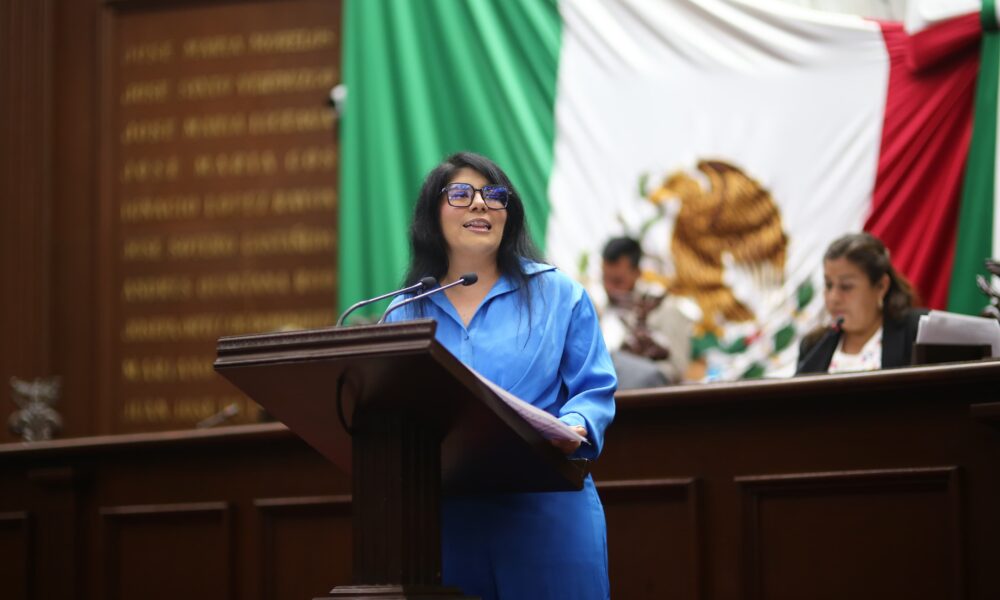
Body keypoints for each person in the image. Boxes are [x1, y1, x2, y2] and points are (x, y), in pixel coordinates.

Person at [385, 151, 616, 599]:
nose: (480, 203)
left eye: (494, 195)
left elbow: (594, 387)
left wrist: (576, 424)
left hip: (546, 503)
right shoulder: (404, 311)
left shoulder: (558, 293)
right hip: (445, 518)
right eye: (460, 194)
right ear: (432, 213)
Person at [797, 232, 926, 374]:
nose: (833, 298)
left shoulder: (918, 333)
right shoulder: (812, 346)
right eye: (828, 285)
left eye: (846, 286)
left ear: (881, 286)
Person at [598, 236, 695, 387]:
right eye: (605, 279)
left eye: (618, 281)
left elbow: (677, 368)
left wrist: (638, 369)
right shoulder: (604, 310)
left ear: (637, 273)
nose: (610, 288)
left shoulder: (664, 308)